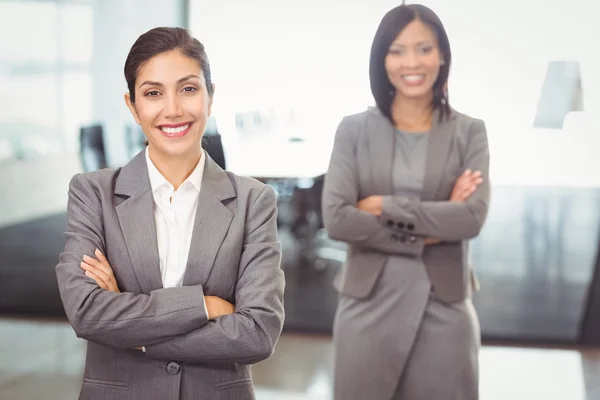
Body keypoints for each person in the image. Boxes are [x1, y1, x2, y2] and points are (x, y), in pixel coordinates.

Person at [56, 27, 285, 400]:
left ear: (211, 97)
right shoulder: (92, 193)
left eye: (189, 88)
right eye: (153, 93)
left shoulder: (253, 200)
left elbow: (258, 332)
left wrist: (138, 336)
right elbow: (87, 312)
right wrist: (204, 306)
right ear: (133, 106)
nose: (173, 109)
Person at [322, 4, 490, 400]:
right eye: (396, 50)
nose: (411, 62)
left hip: (444, 306)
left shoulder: (469, 132)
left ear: (442, 55)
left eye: (424, 49)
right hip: (368, 306)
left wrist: (381, 204)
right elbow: (337, 219)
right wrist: (432, 226)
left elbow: (470, 219)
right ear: (381, 60)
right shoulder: (353, 130)